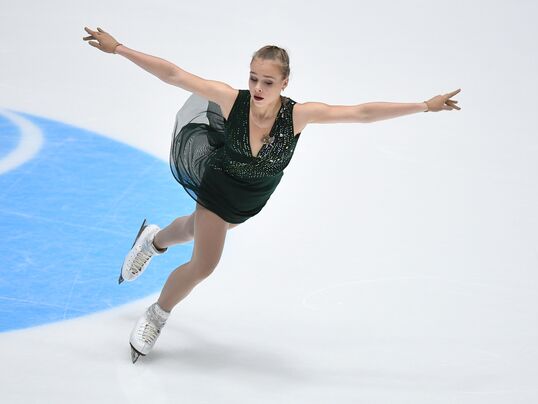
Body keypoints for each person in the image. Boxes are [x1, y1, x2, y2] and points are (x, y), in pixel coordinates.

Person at [82, 26, 461, 363]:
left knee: (195, 230)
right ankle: (157, 314)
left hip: (251, 200)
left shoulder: (299, 116)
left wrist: (424, 106)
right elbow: (176, 74)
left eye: (267, 81)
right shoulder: (233, 101)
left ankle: (154, 240)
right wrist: (119, 49)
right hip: (221, 185)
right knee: (205, 264)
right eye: (253, 78)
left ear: (284, 83)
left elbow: (361, 113)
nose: (258, 88)